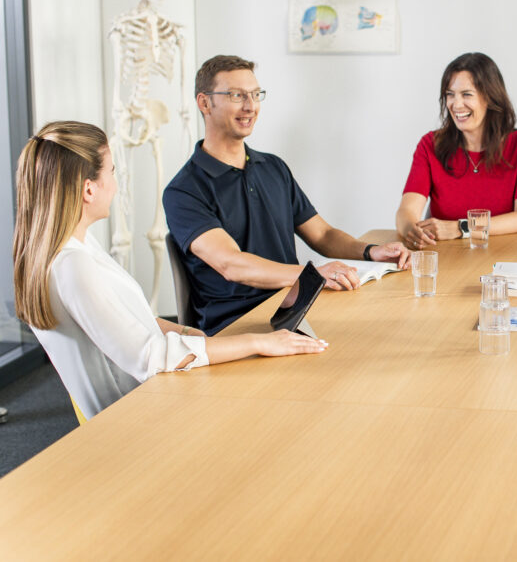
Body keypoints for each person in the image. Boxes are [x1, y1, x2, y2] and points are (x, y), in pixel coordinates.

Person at [12, 122, 328, 421]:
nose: (116, 183)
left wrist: (188, 333)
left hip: (153, 396)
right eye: (111, 171)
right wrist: (258, 343)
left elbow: (127, 322)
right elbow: (150, 358)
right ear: (89, 190)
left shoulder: (77, 249)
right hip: (142, 415)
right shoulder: (73, 266)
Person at [164, 55, 410, 335]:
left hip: (292, 310)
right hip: (237, 327)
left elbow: (323, 235)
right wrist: (309, 275)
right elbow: (232, 265)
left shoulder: (273, 168)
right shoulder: (183, 190)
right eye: (237, 95)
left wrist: (371, 251)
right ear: (204, 103)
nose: (250, 106)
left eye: (256, 95)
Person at [396, 52, 517, 249]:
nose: (456, 105)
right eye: (450, 94)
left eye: (466, 94)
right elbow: (407, 211)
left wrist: (460, 228)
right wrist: (411, 230)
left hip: (505, 258)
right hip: (445, 259)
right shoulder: (430, 144)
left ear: (489, 97)